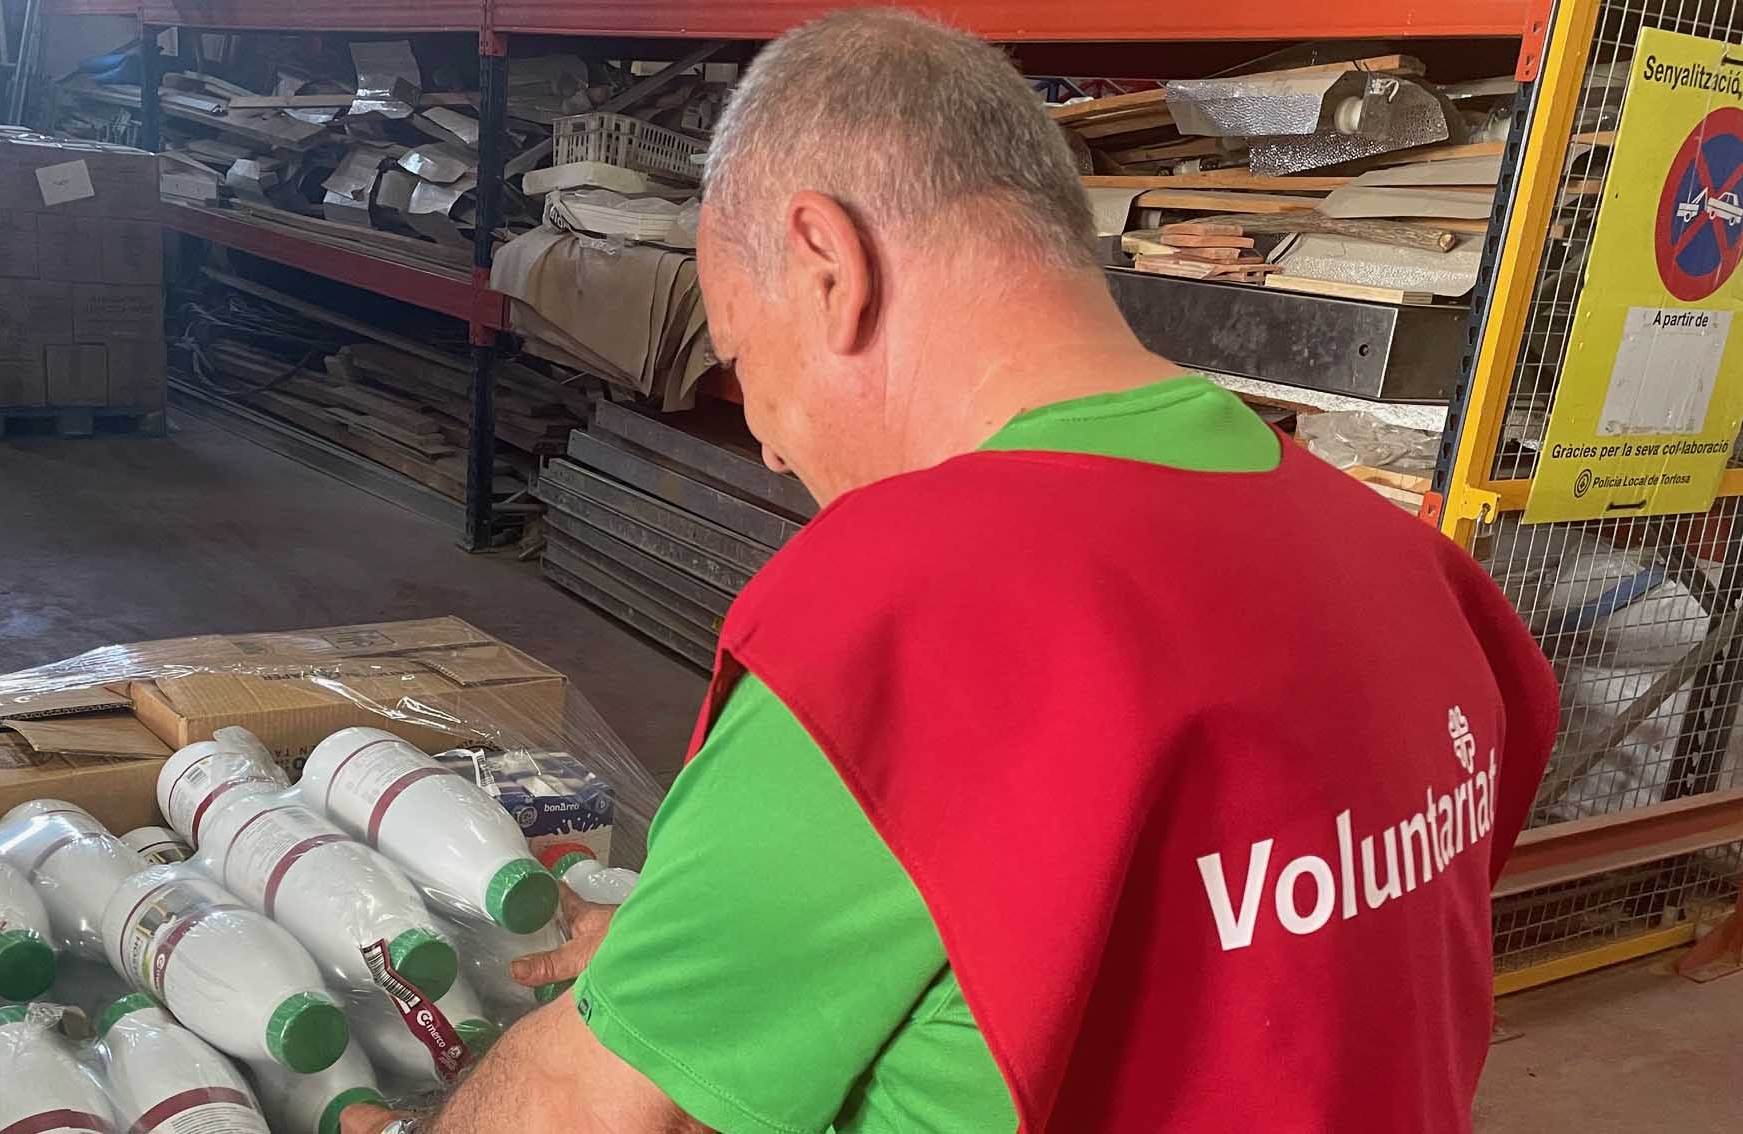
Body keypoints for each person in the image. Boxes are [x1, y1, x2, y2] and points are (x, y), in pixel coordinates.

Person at [344, 10, 1559, 1134]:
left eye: (742, 355)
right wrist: (687, 965)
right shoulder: (1407, 568)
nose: (765, 440)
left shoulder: (907, 614)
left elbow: (581, 1105)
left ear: (828, 264)